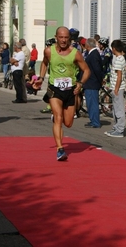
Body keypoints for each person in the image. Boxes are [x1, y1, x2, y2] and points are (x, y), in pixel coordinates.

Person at [35, 26, 90, 161]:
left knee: (68, 123)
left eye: (66, 38)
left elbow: (87, 70)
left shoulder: (75, 53)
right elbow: (44, 64)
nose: (64, 40)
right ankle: (60, 149)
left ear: (69, 38)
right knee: (58, 117)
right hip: (55, 89)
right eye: (61, 37)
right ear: (56, 37)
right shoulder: (49, 51)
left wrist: (80, 83)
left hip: (70, 90)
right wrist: (41, 78)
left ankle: (57, 120)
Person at [104, 39, 126, 138]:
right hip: (115, 87)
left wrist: (116, 89)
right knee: (115, 109)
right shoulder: (119, 59)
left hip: (118, 88)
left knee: (119, 109)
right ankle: (116, 127)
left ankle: (120, 129)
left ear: (114, 49)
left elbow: (119, 76)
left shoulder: (119, 60)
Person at [83, 38, 103, 128]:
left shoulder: (94, 55)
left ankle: (95, 122)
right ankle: (92, 120)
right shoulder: (92, 54)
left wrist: (100, 80)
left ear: (88, 45)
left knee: (93, 103)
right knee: (90, 103)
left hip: (92, 83)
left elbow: (97, 69)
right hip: (90, 83)